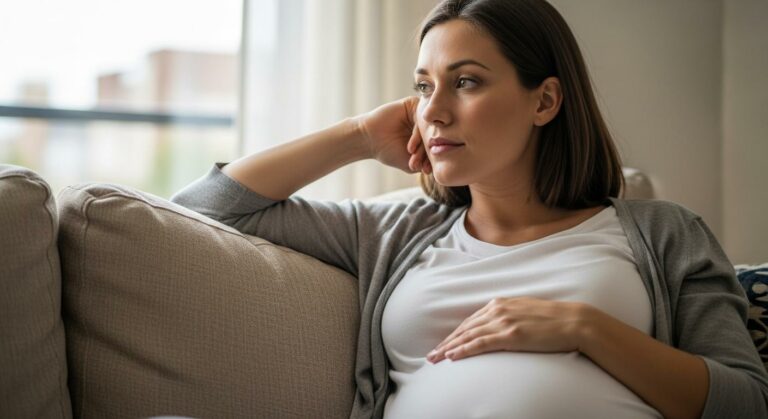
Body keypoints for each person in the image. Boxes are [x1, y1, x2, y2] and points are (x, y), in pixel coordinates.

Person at [170, 0, 768, 418]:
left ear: (546, 100)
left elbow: (742, 402)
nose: (433, 111)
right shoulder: (392, 231)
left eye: (467, 82)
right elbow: (204, 210)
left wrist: (583, 328)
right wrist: (356, 134)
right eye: (424, 86)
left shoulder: (665, 232)